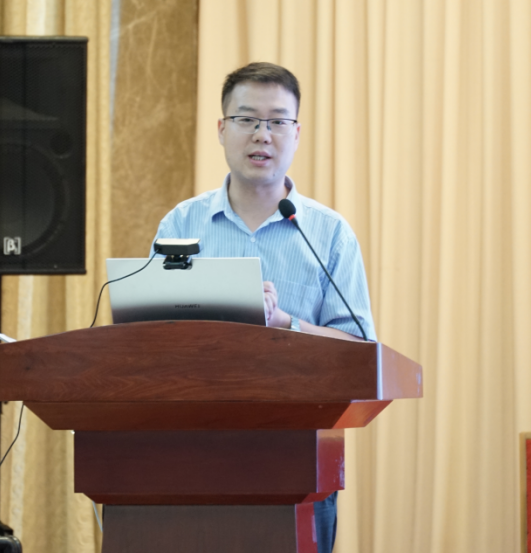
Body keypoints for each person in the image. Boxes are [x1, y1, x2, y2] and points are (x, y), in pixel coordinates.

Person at [150, 62, 377, 553]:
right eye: (247, 119)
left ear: (296, 133)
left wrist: (283, 324)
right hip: (192, 452)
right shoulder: (181, 224)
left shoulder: (329, 234)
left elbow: (360, 351)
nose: (262, 134)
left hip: (298, 457)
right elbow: (149, 336)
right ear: (221, 129)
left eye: (277, 121)